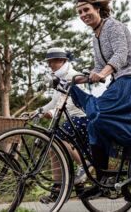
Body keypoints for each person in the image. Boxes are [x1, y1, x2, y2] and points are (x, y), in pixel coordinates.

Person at [72, 0, 131, 199]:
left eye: (86, 9)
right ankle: (103, 179)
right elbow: (98, 67)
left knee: (100, 113)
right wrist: (78, 78)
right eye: (79, 12)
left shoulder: (113, 26)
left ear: (97, 8)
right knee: (94, 122)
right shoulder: (95, 37)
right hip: (119, 83)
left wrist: (103, 73)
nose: (83, 14)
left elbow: (120, 55)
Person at [34, 47, 92, 203]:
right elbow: (54, 102)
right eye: (49, 62)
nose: (50, 65)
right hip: (71, 119)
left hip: (82, 118)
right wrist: (37, 111)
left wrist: (52, 113)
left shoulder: (73, 76)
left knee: (58, 138)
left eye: (53, 61)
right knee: (52, 145)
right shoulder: (59, 78)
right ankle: (58, 188)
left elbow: (73, 100)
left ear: (63, 61)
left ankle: (85, 164)